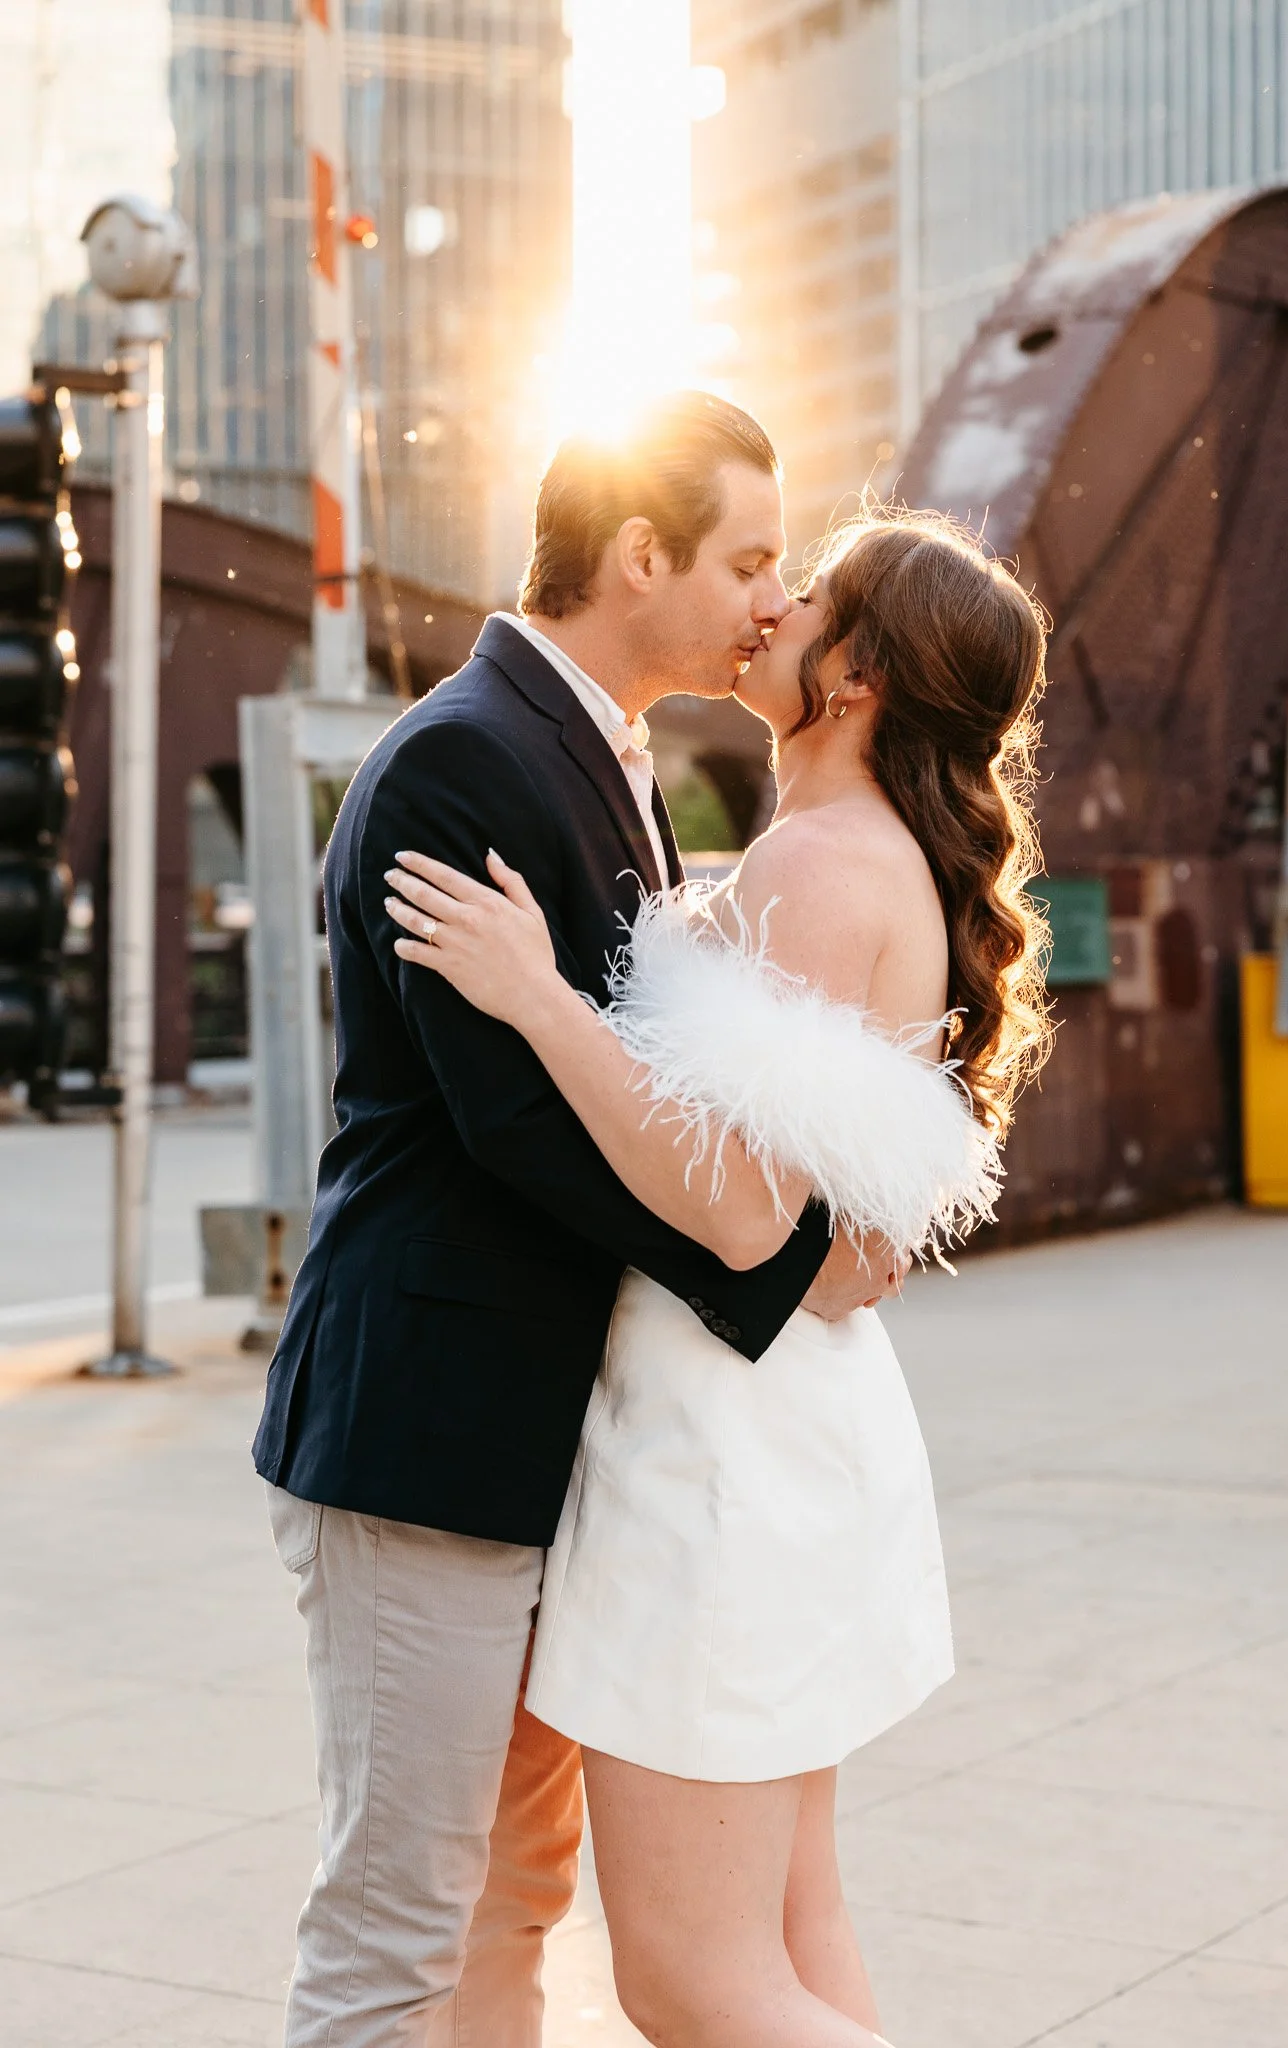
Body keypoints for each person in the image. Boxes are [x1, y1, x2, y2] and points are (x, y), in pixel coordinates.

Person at [252, 392, 890, 2047]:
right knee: (399, 1926)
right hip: (427, 1433)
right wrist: (779, 1263)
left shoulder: (610, 755)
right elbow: (519, 1121)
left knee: (510, 1902)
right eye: (748, 560)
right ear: (638, 554)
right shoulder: (462, 759)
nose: (774, 599)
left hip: (547, 1443)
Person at [385, 504, 1051, 2047]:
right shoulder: (857, 857)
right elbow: (830, 1225)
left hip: (723, 1462)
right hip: (781, 1435)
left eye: (805, 592)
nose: (774, 606)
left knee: (691, 1977)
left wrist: (539, 999)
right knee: (796, 1927)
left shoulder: (816, 865)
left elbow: (748, 1218)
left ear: (860, 673)